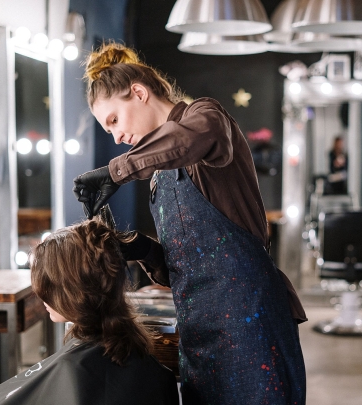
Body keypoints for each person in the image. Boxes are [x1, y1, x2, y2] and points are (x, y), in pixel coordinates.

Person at [73, 42, 307, 405]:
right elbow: (188, 268)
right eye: (109, 131)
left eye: (114, 121)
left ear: (138, 92)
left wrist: (117, 171)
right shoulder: (158, 176)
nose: (116, 137)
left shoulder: (206, 118)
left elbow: (191, 140)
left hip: (251, 325)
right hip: (199, 333)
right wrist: (141, 249)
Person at [0, 217, 179, 405]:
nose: (40, 294)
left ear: (71, 292)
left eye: (47, 286)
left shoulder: (73, 369)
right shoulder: (140, 355)